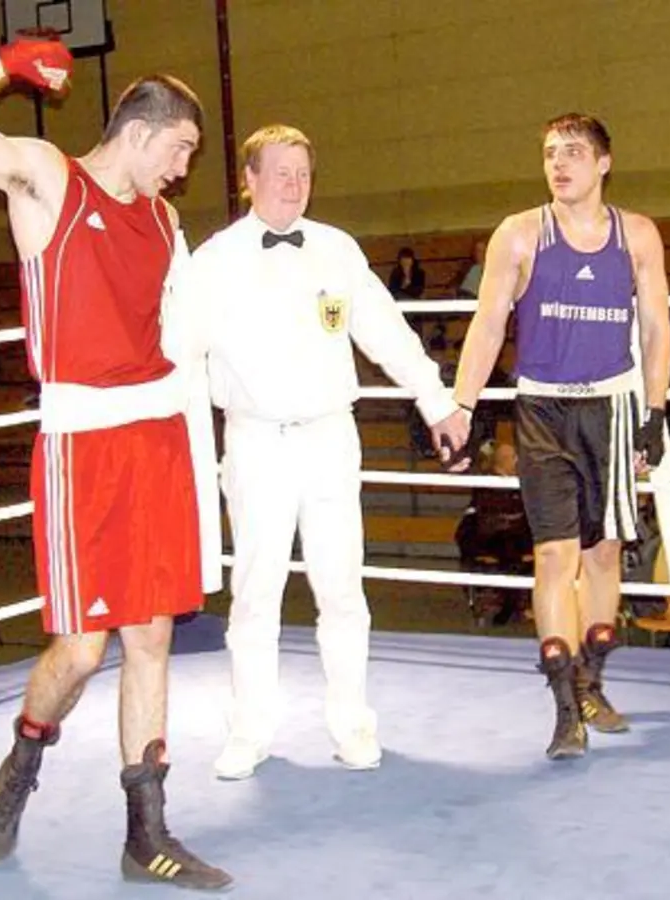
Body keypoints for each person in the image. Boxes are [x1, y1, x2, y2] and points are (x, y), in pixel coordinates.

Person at [0, 33, 231, 890]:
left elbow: (175, 336)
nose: (184, 170)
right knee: (81, 653)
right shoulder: (50, 178)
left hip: (154, 437)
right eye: (183, 148)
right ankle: (22, 760)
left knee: (152, 635)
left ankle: (145, 834)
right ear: (142, 131)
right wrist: (3, 68)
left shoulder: (163, 221)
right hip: (83, 446)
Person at [166, 124, 470, 780]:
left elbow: (385, 330)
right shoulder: (213, 262)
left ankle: (352, 723)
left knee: (342, 589)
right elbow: (177, 354)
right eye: (279, 172)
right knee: (255, 595)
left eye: (303, 173)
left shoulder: (337, 250)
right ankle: (248, 731)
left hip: (332, 437)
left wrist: (436, 400)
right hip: (254, 443)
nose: (292, 185)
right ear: (247, 180)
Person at [450, 112, 670, 760]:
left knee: (604, 554)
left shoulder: (637, 235)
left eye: (574, 152)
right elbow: (489, 323)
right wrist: (461, 406)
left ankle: (592, 684)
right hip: (542, 409)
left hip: (610, 406)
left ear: (603, 163)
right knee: (554, 555)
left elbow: (658, 327)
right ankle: (561, 710)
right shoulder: (520, 235)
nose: (560, 163)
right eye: (551, 152)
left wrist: (655, 411)